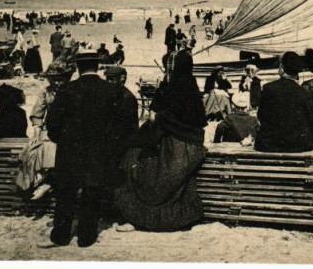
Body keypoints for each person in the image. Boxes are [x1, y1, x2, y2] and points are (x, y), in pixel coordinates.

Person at [43, 49, 138, 248]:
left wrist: (62, 140)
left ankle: (60, 236)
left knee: (66, 193)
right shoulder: (112, 91)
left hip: (70, 151)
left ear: (78, 67)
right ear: (97, 66)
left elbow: (52, 122)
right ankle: (86, 237)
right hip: (99, 151)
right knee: (91, 192)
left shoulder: (67, 89)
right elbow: (124, 123)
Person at [115, 50, 206, 232]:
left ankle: (145, 218)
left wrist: (159, 118)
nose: (168, 71)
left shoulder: (182, 88)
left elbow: (186, 119)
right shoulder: (178, 86)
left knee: (149, 172)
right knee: (136, 161)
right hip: (174, 141)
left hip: (181, 144)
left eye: (170, 68)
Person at [17, 61, 74, 200]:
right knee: (32, 150)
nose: (58, 83)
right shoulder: (46, 92)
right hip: (49, 129)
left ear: (67, 78)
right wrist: (37, 131)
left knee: (53, 149)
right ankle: (36, 183)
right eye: (54, 80)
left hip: (70, 130)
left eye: (61, 80)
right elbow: (38, 113)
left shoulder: (73, 90)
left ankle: (48, 182)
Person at [255, 52, 313, 153]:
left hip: (271, 143)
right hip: (297, 144)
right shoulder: (303, 92)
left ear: (281, 68)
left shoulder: (268, 88)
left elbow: (261, 116)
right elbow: (312, 120)